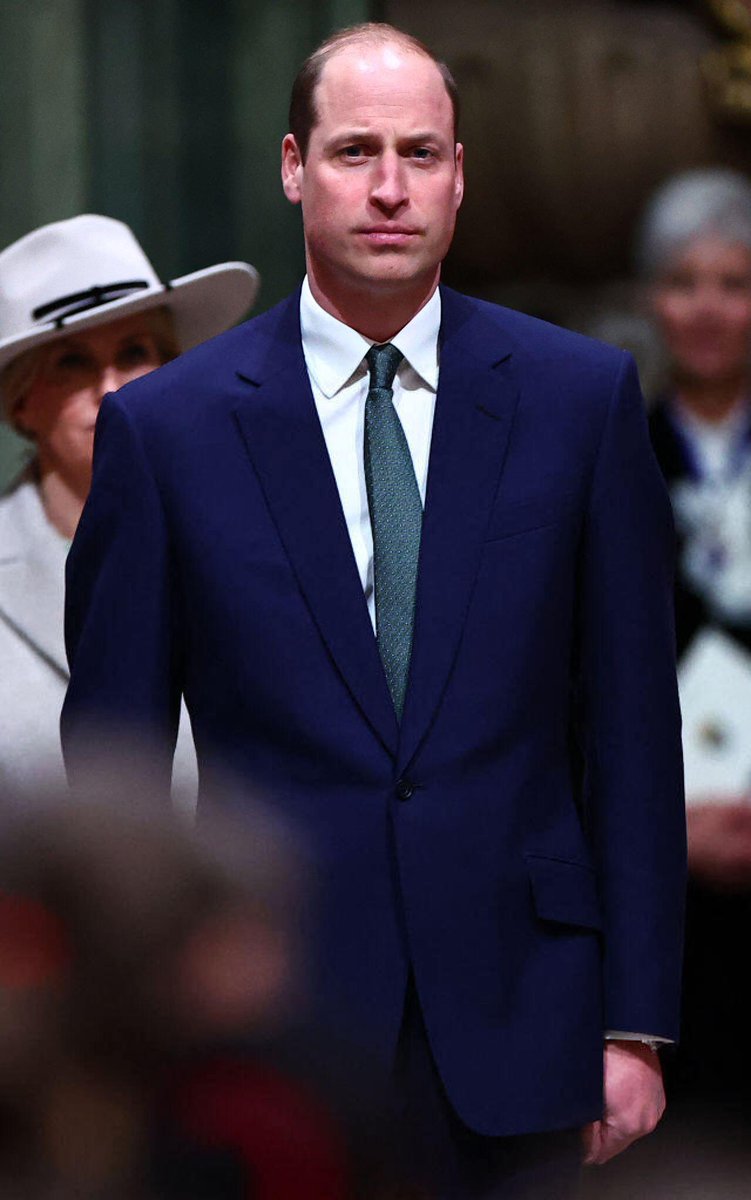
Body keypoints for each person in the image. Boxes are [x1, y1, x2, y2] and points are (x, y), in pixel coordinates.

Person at [62, 24, 686, 1198]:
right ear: (295, 166)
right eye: (356, 152)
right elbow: (115, 768)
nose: (390, 187)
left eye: (420, 152)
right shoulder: (170, 429)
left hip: (530, 1016)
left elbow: (631, 739)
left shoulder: (577, 398)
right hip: (264, 1024)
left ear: (461, 176)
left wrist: (636, 1022)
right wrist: (129, 1032)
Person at [0, 214, 258, 795]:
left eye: (136, 353)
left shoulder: (254, 545)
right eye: (72, 362)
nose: (112, 390)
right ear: (21, 402)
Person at [638, 168, 751, 1106]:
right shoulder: (613, 457)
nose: (707, 308)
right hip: (660, 855)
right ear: (651, 301)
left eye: (733, 282)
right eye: (683, 282)